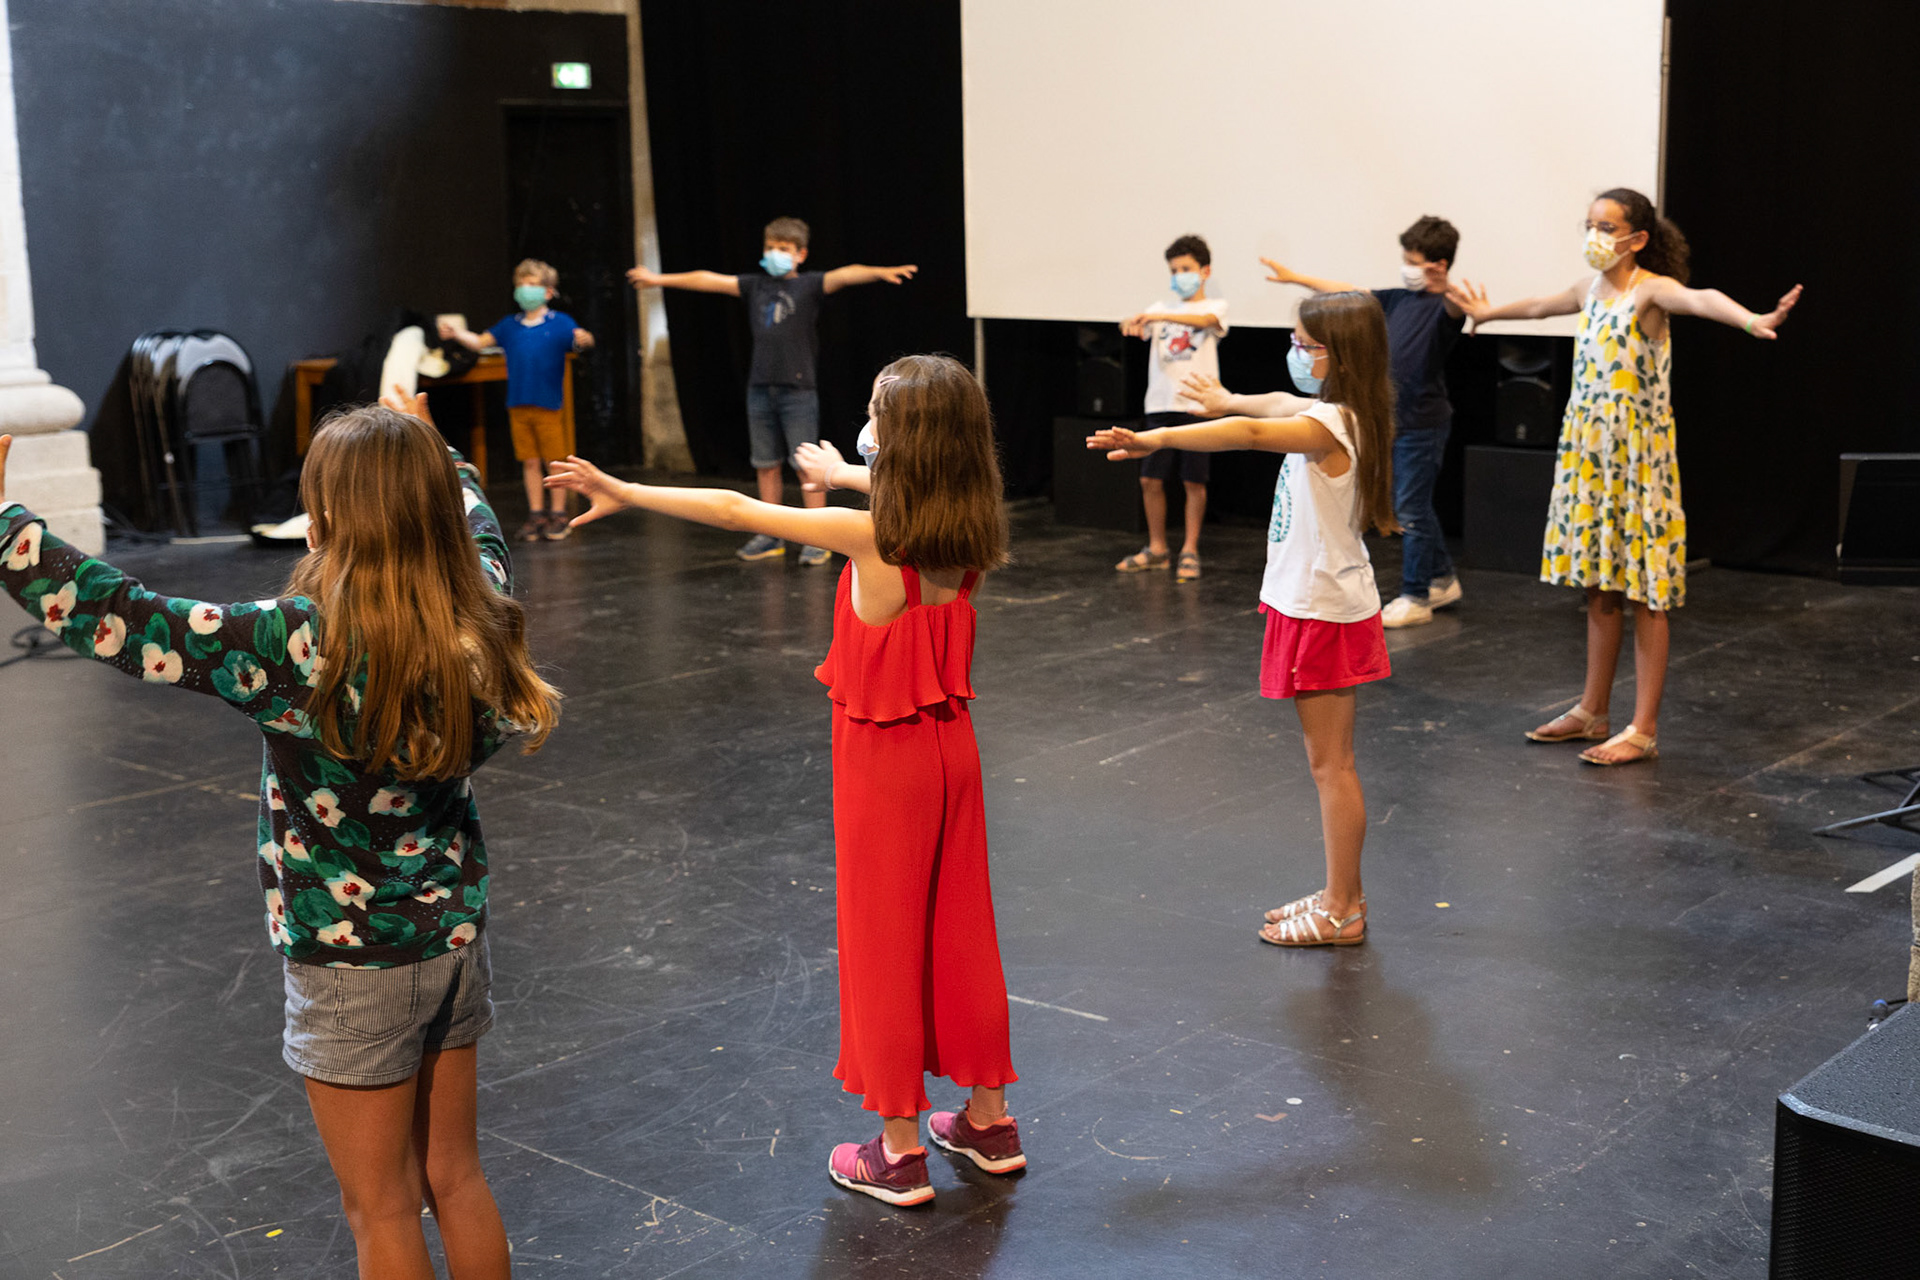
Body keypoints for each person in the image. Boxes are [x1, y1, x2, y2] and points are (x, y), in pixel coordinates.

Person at [0, 392, 561, 1280]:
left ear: (331, 517)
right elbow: (480, 530)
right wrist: (438, 452)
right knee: (454, 1177)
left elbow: (131, 619)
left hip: (352, 971)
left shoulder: (300, 643)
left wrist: (7, 530)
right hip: (451, 938)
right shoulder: (478, 616)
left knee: (380, 1206)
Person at [546, 354, 1022, 1207]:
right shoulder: (969, 522)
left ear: (903, 439)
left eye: (878, 411)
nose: (868, 424)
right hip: (955, 752)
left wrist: (632, 492)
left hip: (886, 764)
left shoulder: (871, 533)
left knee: (882, 943)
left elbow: (735, 509)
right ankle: (988, 1122)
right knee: (960, 933)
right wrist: (840, 469)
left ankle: (899, 1150)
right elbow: (890, 482)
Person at [1449, 187, 1802, 764]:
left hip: (1637, 461)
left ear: (1637, 238)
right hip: (1589, 457)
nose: (1594, 235)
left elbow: (1703, 298)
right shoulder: (1588, 290)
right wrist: (1485, 314)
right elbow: (1539, 306)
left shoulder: (1650, 292)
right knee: (1598, 585)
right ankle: (1592, 711)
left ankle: (1643, 727)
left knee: (1646, 591)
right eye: (1589, 224)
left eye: (1606, 226)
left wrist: (1752, 320)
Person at [1089, 292, 1396, 947]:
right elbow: (1264, 408)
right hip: (1308, 602)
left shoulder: (1333, 424)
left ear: (1341, 354)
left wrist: (1157, 436)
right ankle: (1343, 892)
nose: (1295, 356)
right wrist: (1226, 399)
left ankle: (1344, 911)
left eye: (1306, 346)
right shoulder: (1327, 410)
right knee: (1327, 765)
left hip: (1324, 610)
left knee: (1332, 767)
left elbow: (1256, 433)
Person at [626, 216, 918, 565]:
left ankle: (817, 538)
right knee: (765, 463)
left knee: (806, 464)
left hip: (798, 390)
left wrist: (880, 271)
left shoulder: (809, 285)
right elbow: (707, 280)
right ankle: (769, 535)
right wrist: (658, 279)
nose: (775, 254)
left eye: (783, 249)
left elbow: (846, 273)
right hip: (760, 389)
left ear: (801, 254)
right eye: (770, 247)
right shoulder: (755, 286)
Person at [1261, 216, 1467, 627]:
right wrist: (1296, 278)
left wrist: (1449, 287)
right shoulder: (1395, 300)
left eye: (1414, 260)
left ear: (1438, 265)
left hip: (1422, 423)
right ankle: (1442, 577)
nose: (1406, 266)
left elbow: (1462, 306)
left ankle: (1416, 595)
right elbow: (1347, 294)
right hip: (1389, 418)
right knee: (1410, 503)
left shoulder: (1443, 308)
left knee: (1410, 505)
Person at [440, 258, 595, 544]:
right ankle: (537, 513)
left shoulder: (560, 323)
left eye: (533, 284)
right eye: (521, 284)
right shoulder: (509, 326)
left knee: (555, 463)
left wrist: (585, 339)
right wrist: (457, 333)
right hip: (518, 404)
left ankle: (558, 513)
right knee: (530, 462)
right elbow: (480, 341)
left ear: (548, 291)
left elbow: (580, 341)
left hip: (548, 405)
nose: (526, 290)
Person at [1113, 234, 1230, 582]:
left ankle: (1190, 549)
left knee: (1193, 480)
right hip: (1160, 404)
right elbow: (1132, 326)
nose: (1180, 275)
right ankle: (1157, 548)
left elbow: (1206, 322)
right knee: (1150, 478)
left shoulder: (1215, 308)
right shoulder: (1158, 309)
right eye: (1174, 270)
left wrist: (1156, 315)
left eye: (1186, 269)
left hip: (1197, 407)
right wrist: (1131, 322)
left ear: (1204, 271)